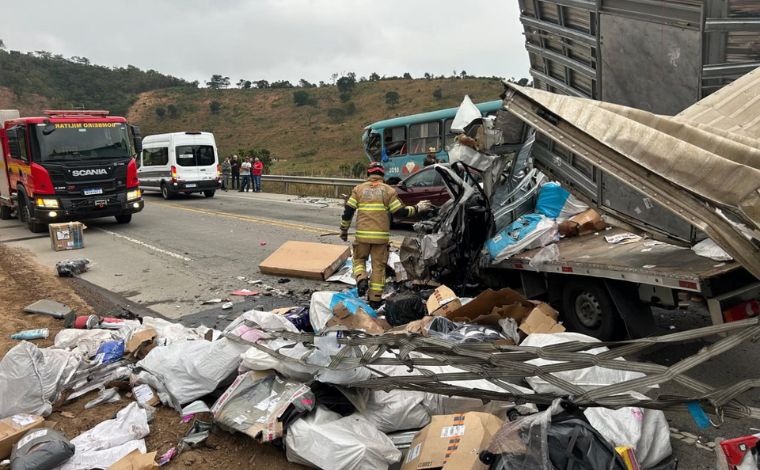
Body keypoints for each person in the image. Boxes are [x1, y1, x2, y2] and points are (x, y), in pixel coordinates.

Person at [340, 162, 432, 308]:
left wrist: (344, 230)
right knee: (378, 268)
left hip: (362, 237)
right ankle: (375, 300)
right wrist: (417, 208)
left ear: (368, 174)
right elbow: (399, 212)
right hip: (380, 239)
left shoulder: (358, 189)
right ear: (382, 175)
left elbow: (348, 212)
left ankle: (361, 278)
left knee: (358, 260)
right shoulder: (388, 191)